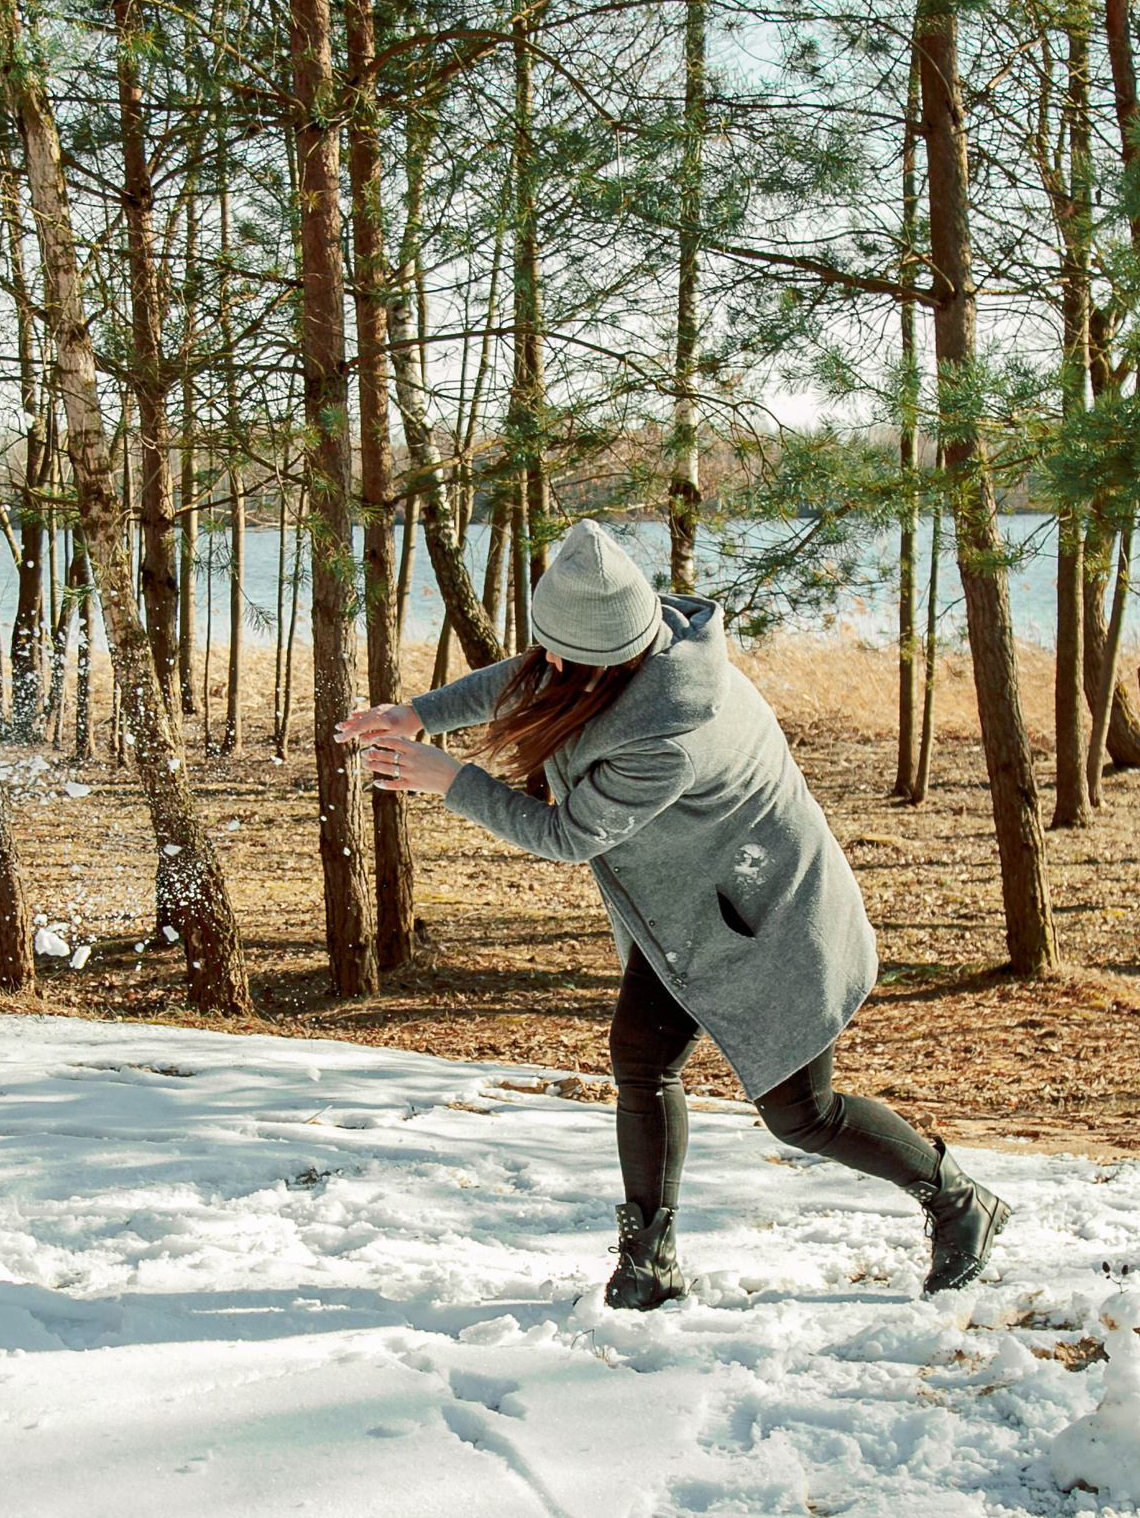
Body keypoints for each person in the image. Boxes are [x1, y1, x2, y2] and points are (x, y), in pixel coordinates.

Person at [337, 520, 1009, 1307]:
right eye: (548, 647)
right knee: (641, 1056)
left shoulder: (670, 729)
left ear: (614, 654)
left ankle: (960, 1202)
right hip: (694, 912)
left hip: (770, 916)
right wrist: (420, 713)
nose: (548, 665)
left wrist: (447, 778)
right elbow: (532, 676)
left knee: (801, 1114)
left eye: (565, 657)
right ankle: (649, 1261)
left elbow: (567, 834)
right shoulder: (618, 651)